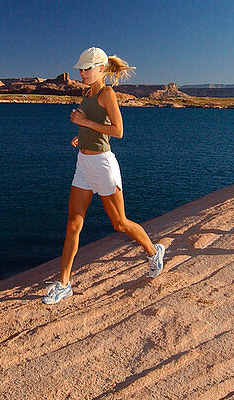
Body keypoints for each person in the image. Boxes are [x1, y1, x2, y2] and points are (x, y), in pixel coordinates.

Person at [44, 47, 165, 305]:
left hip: (103, 165)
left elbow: (118, 130)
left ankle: (154, 252)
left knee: (119, 224)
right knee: (73, 224)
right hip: (84, 164)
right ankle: (64, 283)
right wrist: (82, 136)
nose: (82, 72)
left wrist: (85, 124)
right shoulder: (87, 93)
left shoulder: (107, 92)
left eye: (87, 68)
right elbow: (97, 129)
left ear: (100, 68)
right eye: (81, 68)